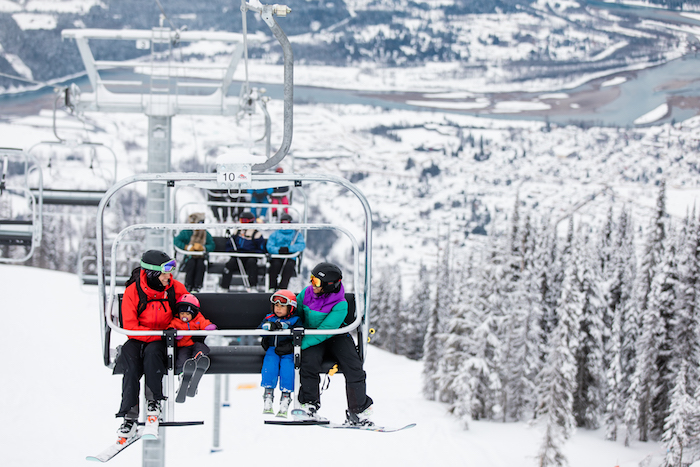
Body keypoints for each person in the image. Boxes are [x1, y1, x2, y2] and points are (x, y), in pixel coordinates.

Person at [114, 250, 188, 439]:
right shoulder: (133, 291)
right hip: (138, 337)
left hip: (163, 340)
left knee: (153, 353)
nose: (167, 277)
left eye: (169, 272)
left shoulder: (174, 288)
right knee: (129, 359)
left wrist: (174, 327)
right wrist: (152, 336)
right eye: (164, 273)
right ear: (152, 274)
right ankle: (129, 416)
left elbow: (188, 310)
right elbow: (130, 326)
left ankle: (153, 402)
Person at [296, 262, 374, 426]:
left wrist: (300, 345)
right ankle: (309, 404)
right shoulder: (306, 293)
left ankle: (358, 410)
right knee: (309, 362)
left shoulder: (341, 303)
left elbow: (326, 330)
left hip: (336, 334)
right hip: (312, 332)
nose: (312, 284)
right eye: (312, 279)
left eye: (316, 282)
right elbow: (297, 315)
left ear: (329, 286)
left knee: (353, 365)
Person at [259, 290, 302, 416]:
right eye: (276, 305)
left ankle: (286, 396)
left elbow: (300, 331)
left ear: (291, 308)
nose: (278, 309)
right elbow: (260, 329)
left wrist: (287, 328)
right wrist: (267, 327)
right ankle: (268, 394)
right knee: (269, 365)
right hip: (273, 348)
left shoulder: (295, 320)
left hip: (288, 350)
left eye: (282, 306)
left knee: (287, 368)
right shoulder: (269, 318)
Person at [169, 294, 217, 373]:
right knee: (182, 357)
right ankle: (182, 371)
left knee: (201, 348)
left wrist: (209, 327)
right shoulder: (176, 321)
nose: (184, 316)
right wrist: (175, 333)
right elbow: (171, 327)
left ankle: (198, 361)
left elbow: (204, 323)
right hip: (183, 345)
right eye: (182, 314)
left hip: (194, 343)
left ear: (193, 314)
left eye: (187, 314)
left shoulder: (198, 319)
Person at [219, 211, 266, 291]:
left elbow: (261, 249)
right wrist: (231, 251)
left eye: (244, 221)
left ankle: (252, 286)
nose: (242, 223)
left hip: (250, 257)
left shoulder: (256, 234)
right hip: (238, 256)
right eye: (241, 221)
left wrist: (253, 253)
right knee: (230, 264)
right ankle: (224, 287)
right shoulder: (237, 232)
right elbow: (229, 244)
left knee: (252, 264)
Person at [174, 212, 215, 292]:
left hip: (201, 258)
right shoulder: (187, 232)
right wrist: (186, 247)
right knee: (191, 264)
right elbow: (176, 241)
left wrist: (203, 248)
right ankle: (188, 286)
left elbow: (212, 245)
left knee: (200, 265)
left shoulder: (205, 234)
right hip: (189, 257)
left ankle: (197, 287)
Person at [266, 212, 305, 290]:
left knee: (288, 267)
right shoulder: (275, 234)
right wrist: (279, 250)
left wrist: (289, 249)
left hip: (290, 257)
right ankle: (272, 287)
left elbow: (301, 245)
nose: (285, 225)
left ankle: (283, 288)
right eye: (283, 222)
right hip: (277, 256)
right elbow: (269, 246)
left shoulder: (296, 234)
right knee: (275, 266)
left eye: (286, 222)